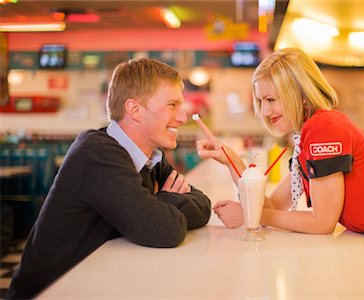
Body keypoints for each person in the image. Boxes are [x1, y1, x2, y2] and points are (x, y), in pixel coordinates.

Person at [195, 48, 364, 285]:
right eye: (261, 101)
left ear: (300, 93)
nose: (265, 111)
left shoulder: (324, 127)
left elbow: (322, 223)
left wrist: (252, 215)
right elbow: (273, 205)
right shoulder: (307, 134)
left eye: (271, 99)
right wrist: (232, 161)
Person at [6, 58, 211, 299]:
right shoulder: (96, 153)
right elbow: (164, 230)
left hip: (96, 284)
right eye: (172, 105)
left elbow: (204, 206)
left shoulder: (151, 156)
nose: (182, 117)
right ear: (134, 109)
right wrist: (166, 199)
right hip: (50, 293)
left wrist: (158, 204)